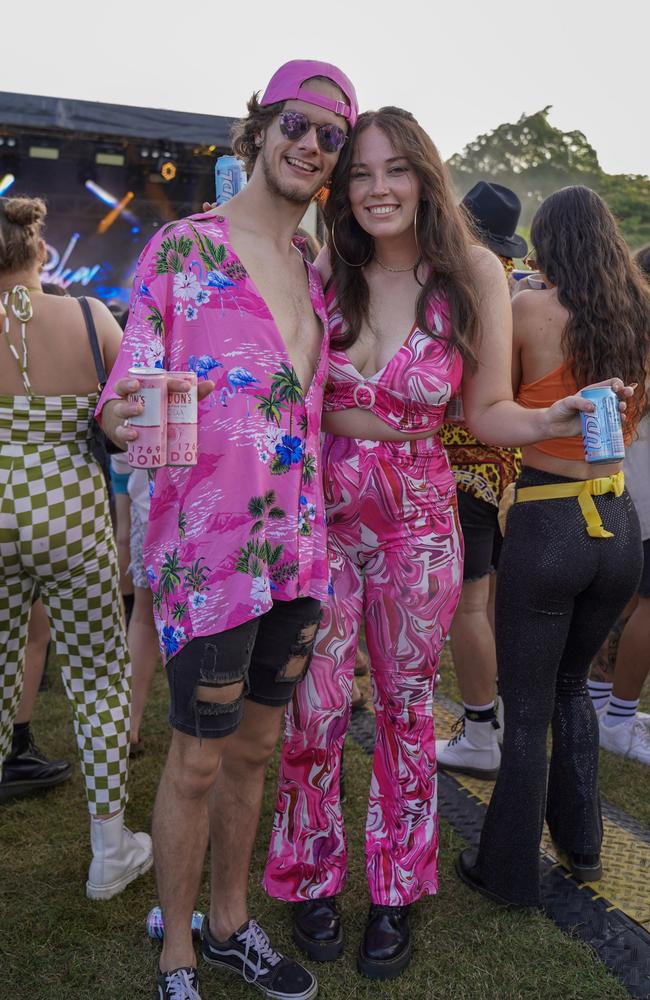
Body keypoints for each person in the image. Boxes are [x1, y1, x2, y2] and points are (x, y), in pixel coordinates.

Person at [263, 111, 632, 979]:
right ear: (338, 188)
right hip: (324, 503)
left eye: (396, 169)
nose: (378, 188)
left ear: (425, 175)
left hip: (421, 514)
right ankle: (311, 875)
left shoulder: (474, 273)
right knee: (313, 707)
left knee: (401, 705)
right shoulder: (325, 270)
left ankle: (394, 888)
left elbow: (486, 411)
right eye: (360, 173)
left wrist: (548, 417)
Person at [97, 60, 358, 1000]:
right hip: (207, 557)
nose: (311, 145)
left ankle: (231, 923)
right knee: (199, 757)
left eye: (331, 136)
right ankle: (175, 957)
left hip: (297, 552)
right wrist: (120, 417)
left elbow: (325, 407)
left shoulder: (320, 278)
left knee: (258, 749)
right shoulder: (183, 250)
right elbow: (127, 385)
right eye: (297, 123)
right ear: (260, 129)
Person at [456, 186, 650, 908]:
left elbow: (489, 410)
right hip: (619, 522)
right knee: (572, 688)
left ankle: (505, 871)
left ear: (549, 242)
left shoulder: (529, 309)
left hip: (548, 522)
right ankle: (585, 844)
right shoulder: (643, 311)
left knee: (529, 703)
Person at [0, 195, 152, 896]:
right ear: (40, 253)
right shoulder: (91, 318)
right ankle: (109, 848)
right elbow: (135, 422)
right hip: (72, 512)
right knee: (96, 676)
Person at [436, 182, 527, 779]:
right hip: (505, 469)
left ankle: (478, 733)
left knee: (468, 608)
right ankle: (491, 719)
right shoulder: (516, 282)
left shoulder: (467, 283)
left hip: (464, 467)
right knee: (485, 600)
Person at [590, 244, 650, 765]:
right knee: (644, 608)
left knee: (622, 604)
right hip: (641, 494)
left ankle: (603, 703)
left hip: (621, 490)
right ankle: (620, 717)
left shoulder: (618, 329)